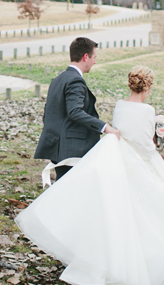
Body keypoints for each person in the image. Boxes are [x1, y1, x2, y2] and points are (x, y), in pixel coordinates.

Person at [16, 65, 164, 285]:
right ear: (149, 86)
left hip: (118, 162)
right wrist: (157, 146)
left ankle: (108, 264)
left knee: (117, 216)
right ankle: (141, 268)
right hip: (137, 163)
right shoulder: (147, 111)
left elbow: (123, 132)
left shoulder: (120, 105)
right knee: (151, 209)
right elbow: (144, 146)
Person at [34, 37, 120, 179]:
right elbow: (75, 112)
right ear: (85, 57)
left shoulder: (58, 79)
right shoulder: (75, 80)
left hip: (57, 147)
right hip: (72, 149)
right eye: (94, 57)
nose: (95, 61)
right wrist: (105, 127)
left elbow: (49, 113)